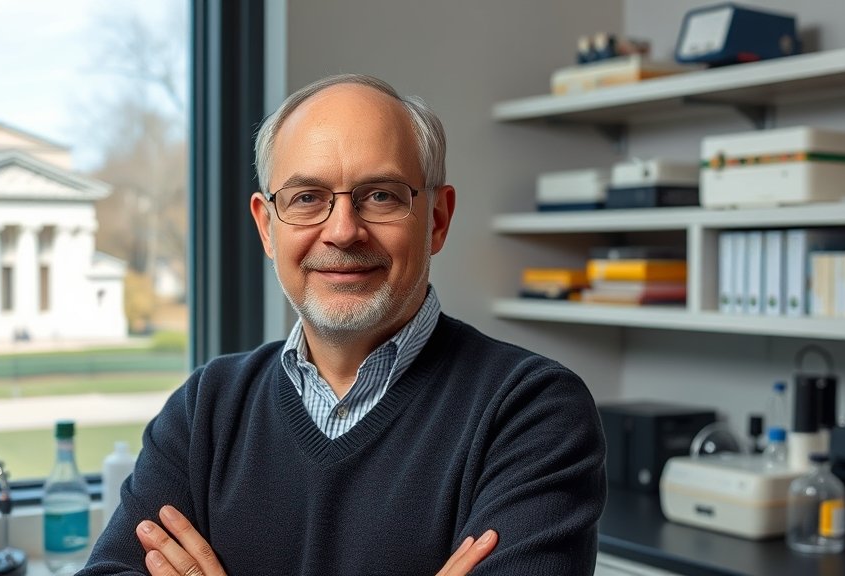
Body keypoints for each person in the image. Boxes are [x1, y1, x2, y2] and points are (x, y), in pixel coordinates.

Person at [79, 73, 606, 576]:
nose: (343, 231)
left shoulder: (533, 410)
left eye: (380, 195)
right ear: (267, 227)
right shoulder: (206, 410)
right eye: (306, 198)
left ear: (438, 220)